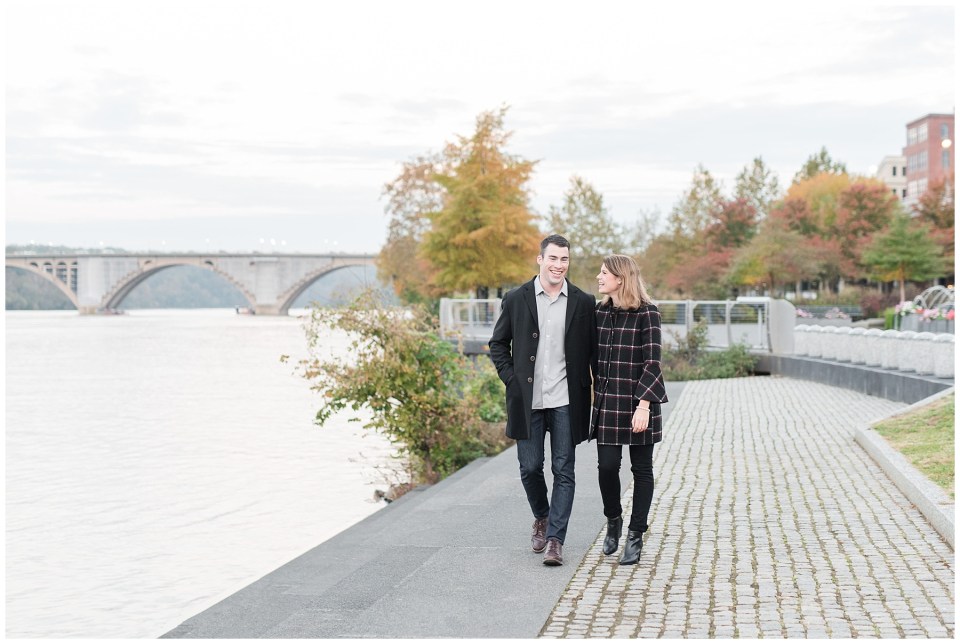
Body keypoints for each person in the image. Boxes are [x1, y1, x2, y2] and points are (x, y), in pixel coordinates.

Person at [489, 234, 597, 566]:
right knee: (530, 467)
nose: (558, 265)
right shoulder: (516, 298)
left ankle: (555, 540)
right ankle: (542, 516)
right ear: (540, 259)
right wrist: (512, 380)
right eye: (553, 258)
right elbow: (498, 344)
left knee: (564, 469)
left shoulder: (583, 301)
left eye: (564, 259)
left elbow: (593, 352)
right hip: (528, 401)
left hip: (566, 399)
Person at [592, 254, 668, 565]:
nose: (599, 277)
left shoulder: (648, 313)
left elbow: (653, 362)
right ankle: (614, 519)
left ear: (620, 279)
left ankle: (636, 534)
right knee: (607, 466)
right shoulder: (599, 312)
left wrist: (644, 405)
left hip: (639, 403)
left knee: (642, 469)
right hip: (608, 401)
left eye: (604, 273)